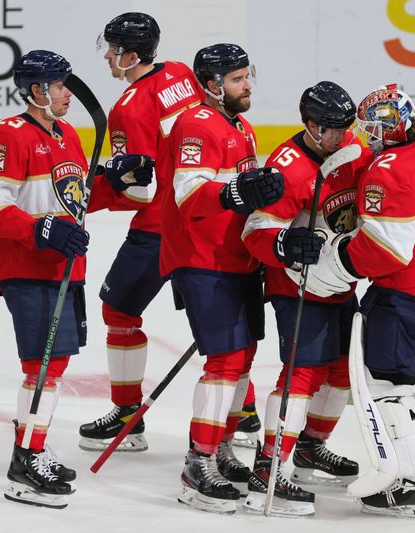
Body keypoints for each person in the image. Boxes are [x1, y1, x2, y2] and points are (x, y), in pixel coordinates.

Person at [303, 84, 415, 519]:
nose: (367, 137)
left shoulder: (390, 171)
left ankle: (404, 484)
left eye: (371, 129)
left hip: (408, 297)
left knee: (387, 383)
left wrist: (332, 265)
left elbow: (385, 252)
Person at [160, 43, 285, 514]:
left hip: (237, 258)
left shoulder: (242, 126)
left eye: (246, 75)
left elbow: (243, 192)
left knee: (244, 357)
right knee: (226, 360)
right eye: (236, 79)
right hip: (203, 258)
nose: (246, 84)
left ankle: (222, 446)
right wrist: (237, 190)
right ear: (211, 85)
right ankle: (199, 461)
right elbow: (189, 194)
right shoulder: (195, 124)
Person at [78, 12, 208, 453]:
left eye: (113, 50)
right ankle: (243, 416)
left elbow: (140, 192)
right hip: (205, 218)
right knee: (215, 322)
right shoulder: (180, 73)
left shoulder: (129, 107)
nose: (108, 58)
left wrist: (90, 194)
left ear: (131, 55)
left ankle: (127, 417)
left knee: (118, 312)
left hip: (159, 228)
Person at [240, 81, 369, 516]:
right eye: (332, 129)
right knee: (301, 373)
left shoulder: (351, 151)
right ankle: (268, 468)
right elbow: (255, 232)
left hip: (339, 282)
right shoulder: (287, 168)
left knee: (341, 371)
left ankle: (311, 447)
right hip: (297, 286)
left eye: (346, 127)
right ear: (310, 126)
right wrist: (286, 244)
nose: (342, 136)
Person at [0, 50, 91, 509]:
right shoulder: (9, 133)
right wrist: (39, 228)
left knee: (54, 366)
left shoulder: (67, 134)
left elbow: (75, 197)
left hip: (64, 266)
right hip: (28, 267)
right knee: (42, 369)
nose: (68, 93)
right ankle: (25, 463)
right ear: (37, 91)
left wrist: (116, 180)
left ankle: (33, 449)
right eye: (60, 85)